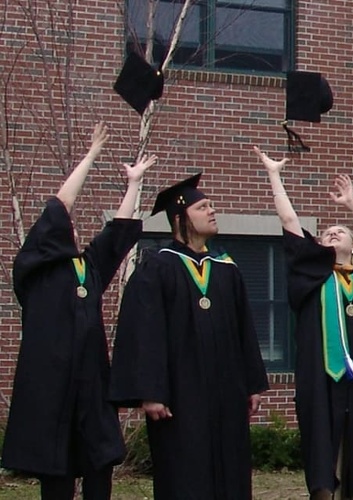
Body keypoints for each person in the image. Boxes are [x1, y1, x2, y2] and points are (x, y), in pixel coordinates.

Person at [1, 123, 152, 499]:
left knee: (99, 467)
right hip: (51, 389)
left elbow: (118, 235)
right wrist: (92, 154)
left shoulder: (89, 267)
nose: (65, 224)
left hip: (91, 387)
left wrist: (133, 184)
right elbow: (60, 204)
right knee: (58, 475)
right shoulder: (34, 272)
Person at [255, 147, 353, 500]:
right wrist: (275, 175)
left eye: (341, 232)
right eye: (326, 234)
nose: (333, 234)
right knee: (323, 461)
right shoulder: (310, 277)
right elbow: (291, 225)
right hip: (321, 379)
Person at [108, 171, 269, 499]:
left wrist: (252, 383)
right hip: (179, 397)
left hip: (227, 393)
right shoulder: (158, 267)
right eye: (204, 207)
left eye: (212, 206)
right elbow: (144, 333)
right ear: (180, 217)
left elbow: (244, 331)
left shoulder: (226, 268)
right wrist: (151, 391)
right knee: (185, 472)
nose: (212, 212)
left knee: (231, 470)